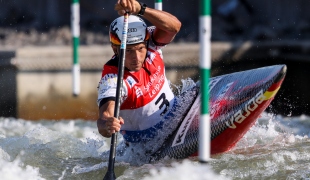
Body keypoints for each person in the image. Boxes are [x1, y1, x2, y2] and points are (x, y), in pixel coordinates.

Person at [97, 0, 182, 143]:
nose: (136, 58)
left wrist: (141, 9)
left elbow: (174, 27)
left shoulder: (150, 42)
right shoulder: (112, 80)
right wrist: (107, 124)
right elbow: (104, 116)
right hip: (147, 144)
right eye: (128, 51)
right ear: (115, 49)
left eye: (140, 49)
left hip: (177, 116)